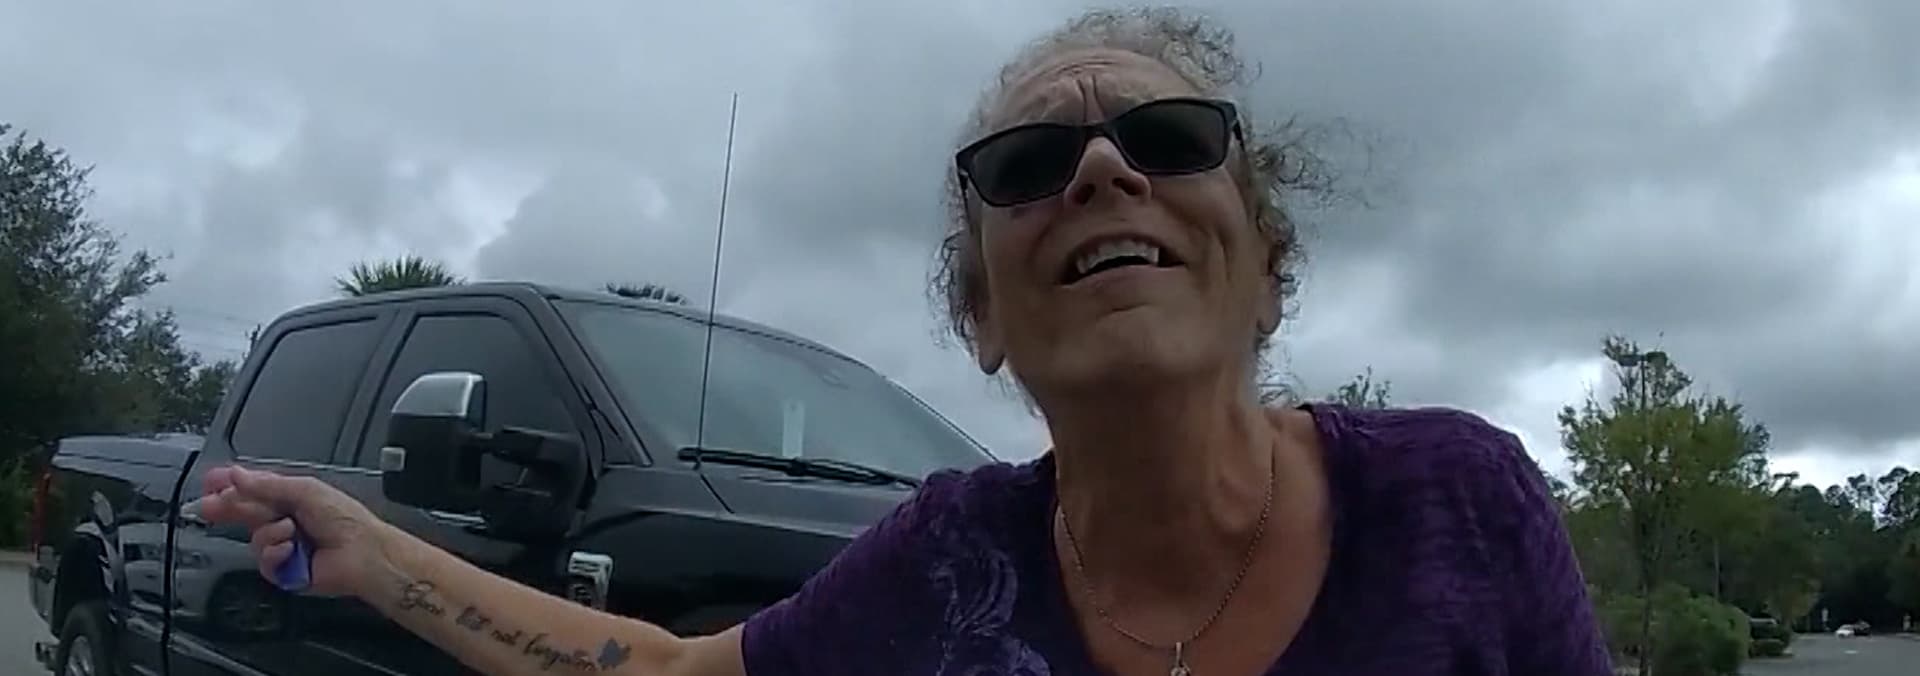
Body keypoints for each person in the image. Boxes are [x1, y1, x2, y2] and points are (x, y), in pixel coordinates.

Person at [200, 6, 1612, 675]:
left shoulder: (1458, 503)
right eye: (1028, 165)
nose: (1102, 169)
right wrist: (376, 556)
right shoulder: (948, 563)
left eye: (1171, 139)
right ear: (982, 318)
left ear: (1267, 271)